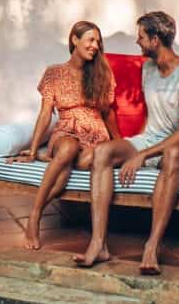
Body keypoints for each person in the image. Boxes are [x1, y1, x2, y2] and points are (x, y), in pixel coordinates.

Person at [73, 10, 179, 275]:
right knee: (102, 152)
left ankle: (152, 246)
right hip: (150, 140)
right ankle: (98, 244)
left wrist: (142, 155)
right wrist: (134, 147)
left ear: (155, 39)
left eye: (142, 36)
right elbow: (151, 121)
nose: (138, 42)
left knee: (172, 156)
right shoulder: (148, 69)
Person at [11, 20, 120, 251]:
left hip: (95, 136)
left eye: (98, 42)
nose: (95, 46)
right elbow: (45, 114)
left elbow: (108, 112)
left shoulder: (101, 73)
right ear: (74, 40)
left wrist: (119, 142)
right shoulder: (54, 73)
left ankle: (52, 161)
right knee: (68, 149)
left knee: (75, 165)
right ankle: (34, 216)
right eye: (90, 40)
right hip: (66, 132)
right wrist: (32, 149)